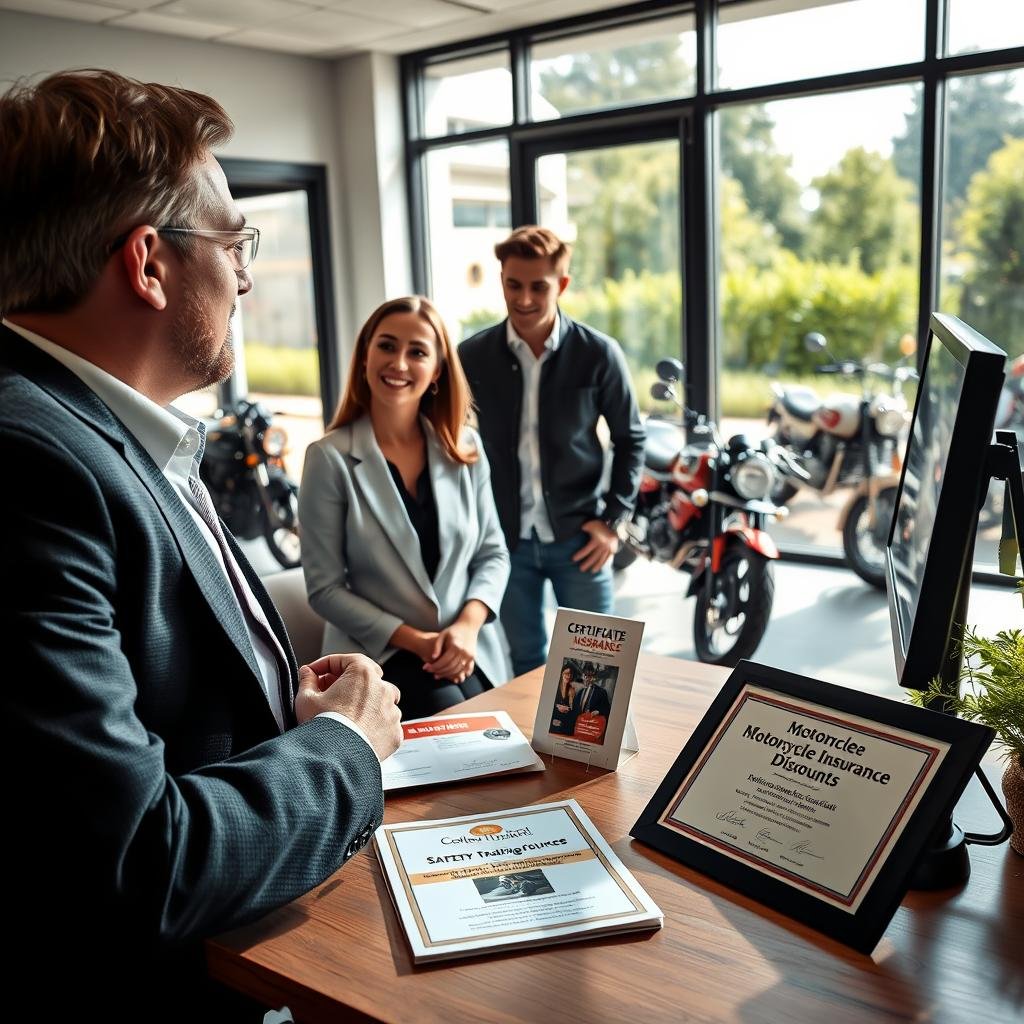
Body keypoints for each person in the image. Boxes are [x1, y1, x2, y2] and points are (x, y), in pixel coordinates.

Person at [0, 70, 403, 1020]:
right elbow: (142, 861)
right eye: (234, 242)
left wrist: (277, 708)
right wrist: (348, 747)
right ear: (148, 264)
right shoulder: (30, 467)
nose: (247, 273)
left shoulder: (102, 429)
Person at [300, 296, 511, 719]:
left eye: (417, 352)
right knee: (460, 739)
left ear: (436, 371)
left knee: (514, 741)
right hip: (379, 657)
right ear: (364, 357)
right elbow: (325, 589)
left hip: (467, 649)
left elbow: (493, 553)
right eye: (387, 346)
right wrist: (420, 641)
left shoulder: (464, 448)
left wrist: (467, 627)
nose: (398, 363)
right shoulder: (329, 458)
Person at [459, 226, 645, 675]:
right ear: (501, 279)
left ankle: (590, 749)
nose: (523, 299)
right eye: (513, 284)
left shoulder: (599, 354)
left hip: (581, 539)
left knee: (597, 668)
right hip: (505, 542)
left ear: (561, 285)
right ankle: (531, 749)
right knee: (525, 665)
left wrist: (614, 521)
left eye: (538, 286)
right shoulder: (471, 355)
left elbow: (630, 437)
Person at [549, 663, 579, 735]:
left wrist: (571, 700)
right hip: (552, 721)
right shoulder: (554, 687)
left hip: (565, 724)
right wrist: (557, 707)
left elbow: (574, 710)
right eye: (566, 673)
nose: (569, 676)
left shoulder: (572, 690)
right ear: (561, 674)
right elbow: (547, 705)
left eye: (571, 674)